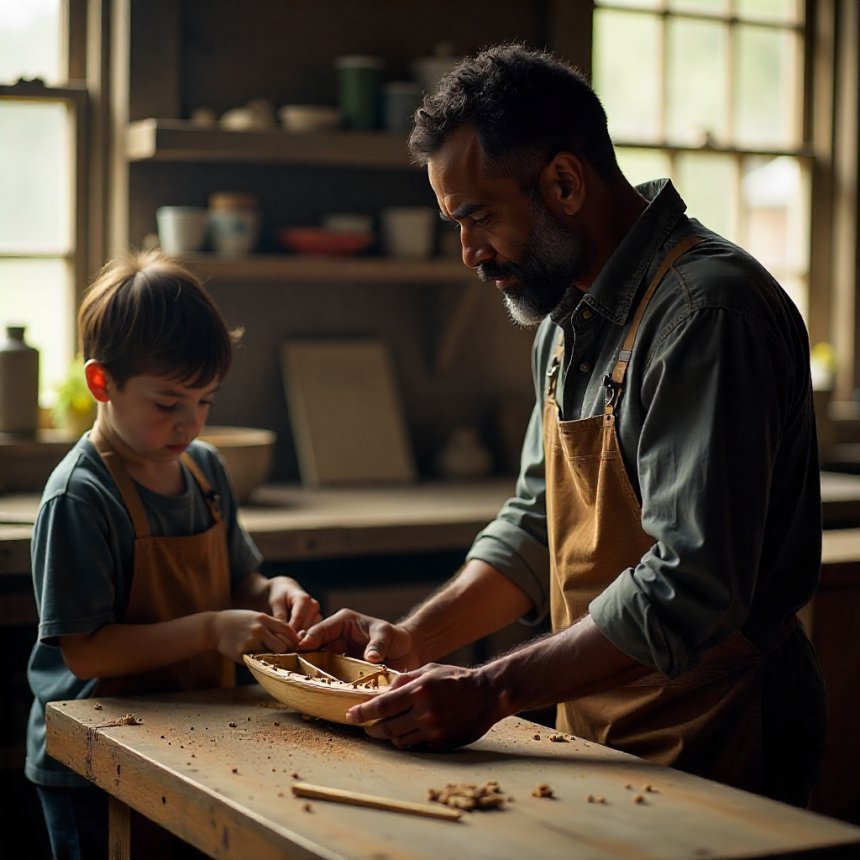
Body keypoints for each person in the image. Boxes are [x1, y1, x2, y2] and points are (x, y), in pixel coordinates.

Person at [300, 43, 826, 806]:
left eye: (478, 216)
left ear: (566, 182)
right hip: (596, 729)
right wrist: (413, 640)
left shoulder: (705, 316)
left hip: (721, 729)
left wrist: (489, 690)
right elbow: (535, 522)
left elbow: (692, 585)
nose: (468, 253)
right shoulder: (562, 316)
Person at [25, 250, 321, 859]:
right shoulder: (80, 497)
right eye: (168, 405)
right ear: (102, 384)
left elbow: (240, 582)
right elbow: (86, 652)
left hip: (190, 736)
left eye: (205, 401)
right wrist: (211, 630)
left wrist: (275, 592)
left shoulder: (205, 470)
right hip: (94, 756)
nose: (190, 424)